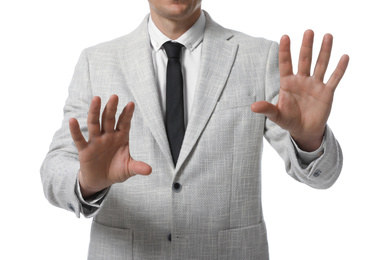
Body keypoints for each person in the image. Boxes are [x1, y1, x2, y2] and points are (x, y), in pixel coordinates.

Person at [41, 0, 349, 259]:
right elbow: (54, 170)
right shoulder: (97, 61)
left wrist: (309, 139)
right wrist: (87, 182)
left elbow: (325, 176)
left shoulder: (259, 57)